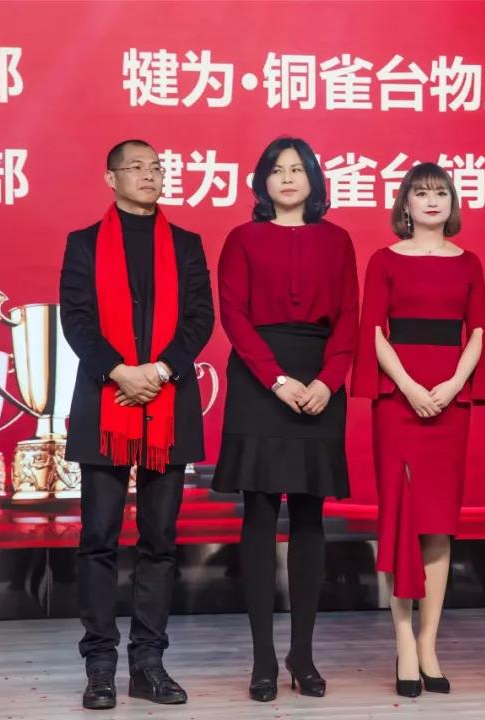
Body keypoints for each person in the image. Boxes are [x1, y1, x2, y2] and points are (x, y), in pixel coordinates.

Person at [60, 139, 214, 710]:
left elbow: (200, 317)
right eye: (137, 167)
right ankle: (99, 666)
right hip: (106, 403)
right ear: (111, 177)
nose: (150, 175)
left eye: (157, 167)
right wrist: (121, 372)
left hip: (168, 404)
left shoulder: (187, 244)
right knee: (98, 539)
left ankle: (148, 663)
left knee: (159, 542)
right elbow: (77, 320)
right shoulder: (83, 243)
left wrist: (162, 369)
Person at [212, 136, 359, 703]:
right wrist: (276, 379)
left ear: (315, 179)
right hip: (260, 382)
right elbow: (234, 315)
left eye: (298, 169)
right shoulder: (242, 239)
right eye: (277, 170)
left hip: (320, 378)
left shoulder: (338, 240)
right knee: (257, 514)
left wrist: (328, 381)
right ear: (262, 182)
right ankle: (263, 659)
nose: (289, 178)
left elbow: (349, 316)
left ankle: (302, 654)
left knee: (309, 517)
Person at [351, 163, 485, 697]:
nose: (432, 200)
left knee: (439, 524)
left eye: (441, 192)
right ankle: (404, 643)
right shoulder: (384, 260)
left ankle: (429, 642)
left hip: (449, 402)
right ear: (406, 204)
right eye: (421, 192)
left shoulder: (469, 262)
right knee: (401, 519)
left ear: (452, 202)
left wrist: (455, 384)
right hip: (399, 401)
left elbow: (478, 331)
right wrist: (410, 386)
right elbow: (373, 331)